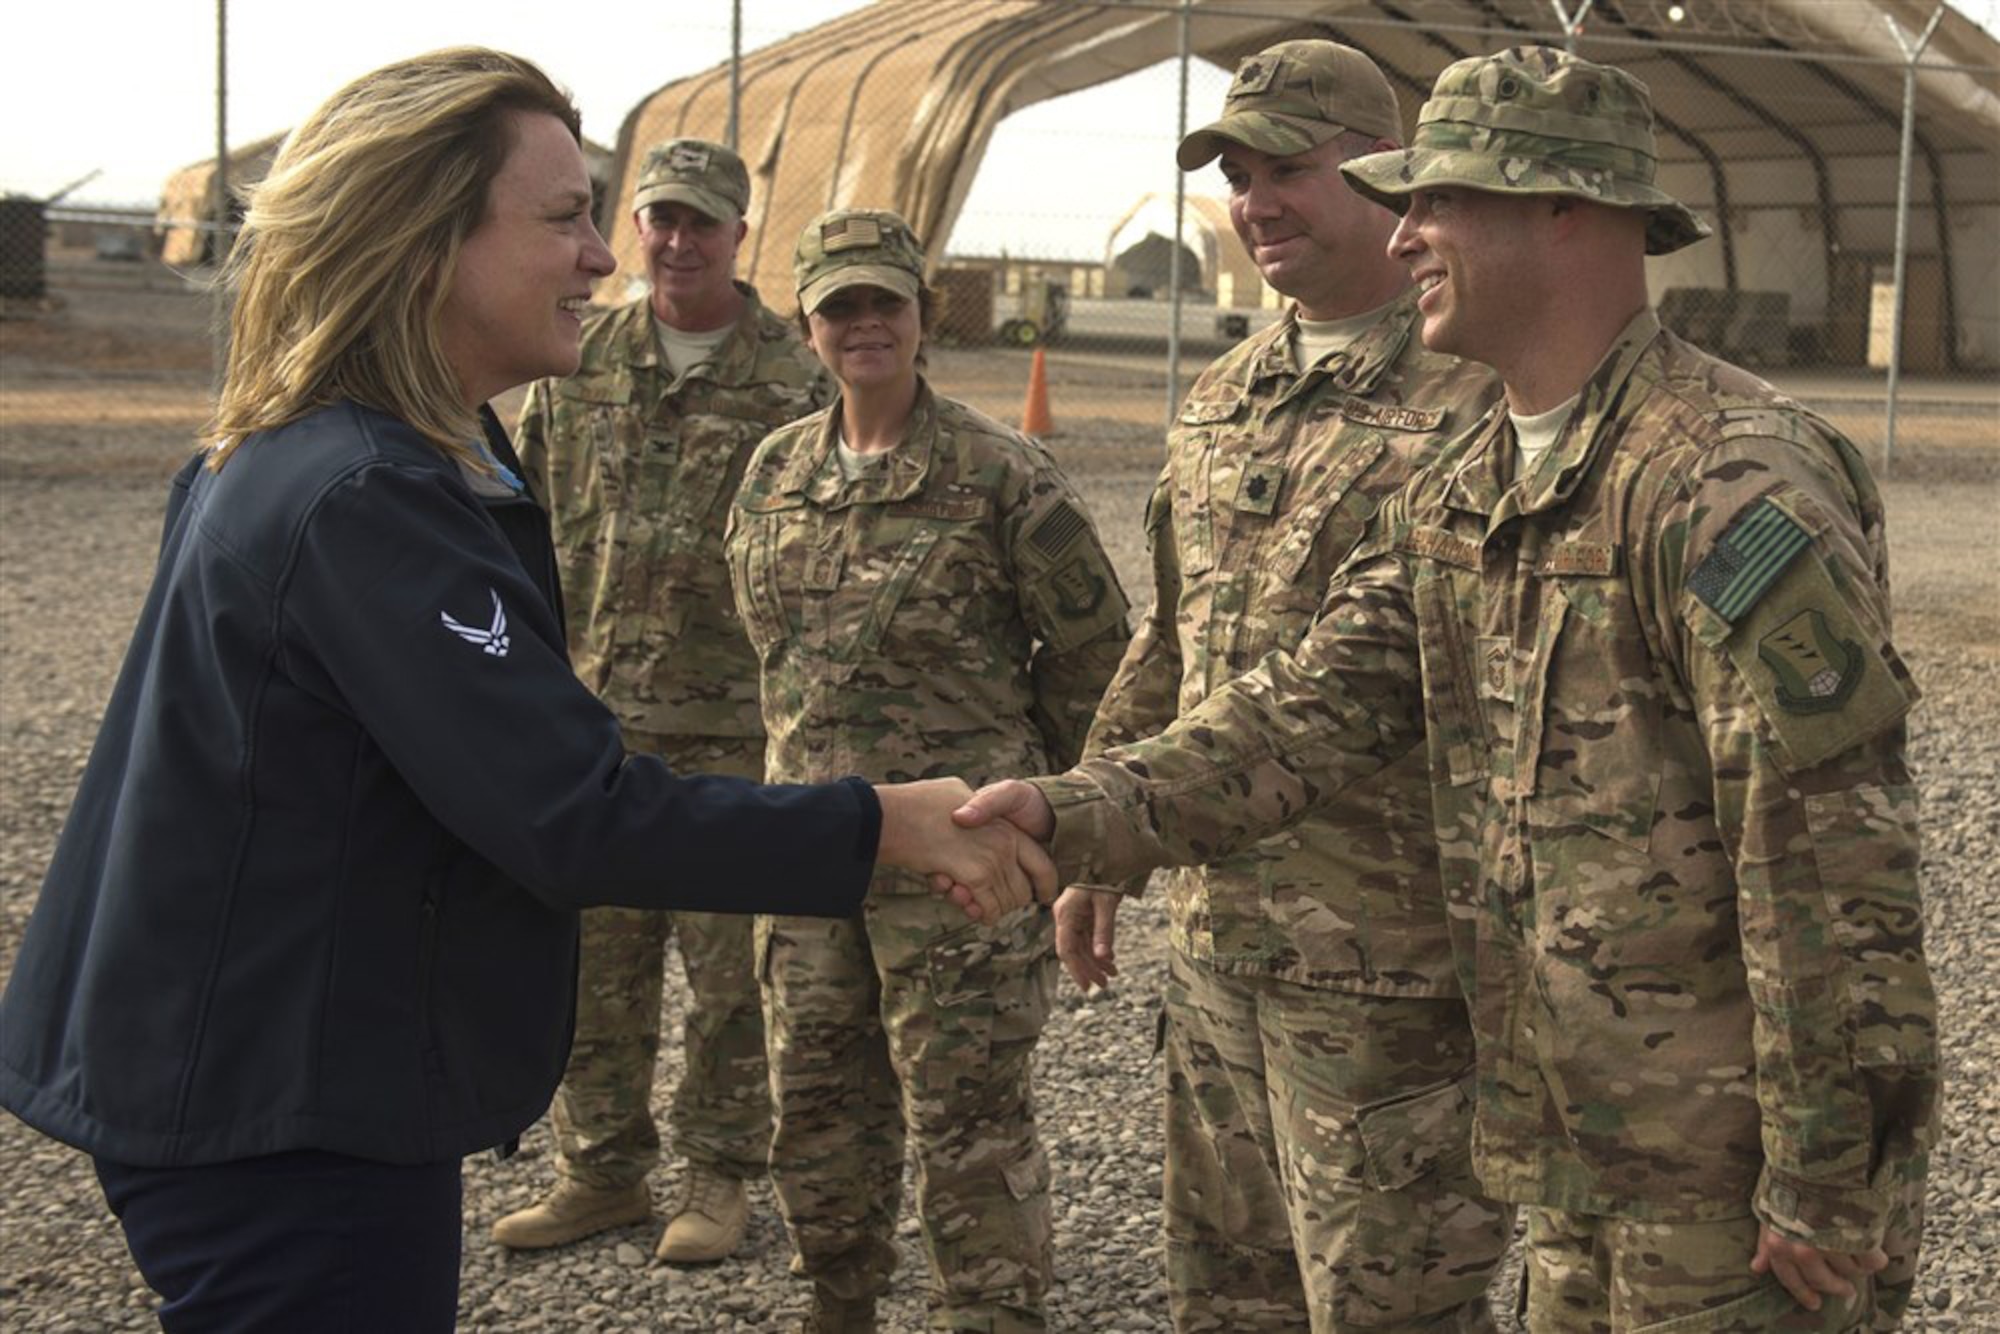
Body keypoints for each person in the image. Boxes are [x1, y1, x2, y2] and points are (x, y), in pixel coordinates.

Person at [0, 49, 1049, 1334]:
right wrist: (887, 818)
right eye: (562, 218)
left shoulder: (383, 446)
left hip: (285, 1062)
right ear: (424, 240)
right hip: (272, 1103)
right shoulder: (361, 493)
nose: (604, 261)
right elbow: (572, 813)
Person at [955, 46, 1938, 1334]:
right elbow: (1311, 701)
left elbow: (1828, 857)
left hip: (1722, 1167)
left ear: (1565, 208)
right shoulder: (1470, 480)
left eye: (1436, 200)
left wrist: (1824, 1164)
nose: (1404, 231)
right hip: (1571, 1139)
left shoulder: (1721, 480)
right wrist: (1064, 810)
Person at [1057, 39, 1508, 1333]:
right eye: (1239, 174)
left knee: (1392, 1308)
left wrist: (1074, 814)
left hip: (1390, 968)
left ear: (1383, 174)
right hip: (1217, 949)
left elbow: (1382, 679)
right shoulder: (1226, 395)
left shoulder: (1478, 391)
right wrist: (1104, 845)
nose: (1254, 202)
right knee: (1225, 1297)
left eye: (1285, 171)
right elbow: (1174, 639)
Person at [726, 208, 1130, 1333]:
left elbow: (1099, 661)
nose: (863, 325)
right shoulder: (770, 476)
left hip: (959, 866)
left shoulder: (1002, 476)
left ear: (918, 316)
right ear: (807, 322)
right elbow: (770, 660)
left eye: (883, 303)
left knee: (968, 1126)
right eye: (838, 305)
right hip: (810, 858)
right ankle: (837, 1301)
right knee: (814, 1107)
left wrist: (1051, 816)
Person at [493, 138, 832, 1264]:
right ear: (632, 228)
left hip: (735, 729)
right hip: (591, 721)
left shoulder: (796, 380)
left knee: (731, 979)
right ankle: (600, 1172)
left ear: (741, 235)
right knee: (596, 967)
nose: (678, 242)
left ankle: (722, 1174)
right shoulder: (577, 361)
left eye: (702, 222)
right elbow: (518, 521)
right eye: (659, 220)